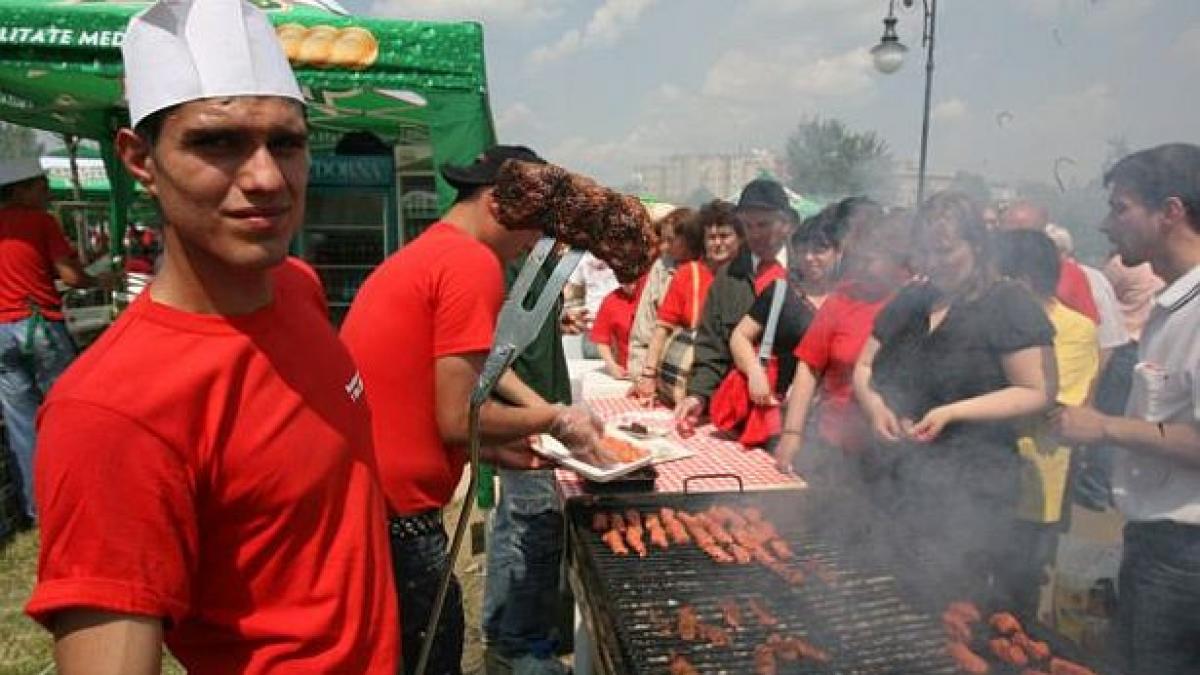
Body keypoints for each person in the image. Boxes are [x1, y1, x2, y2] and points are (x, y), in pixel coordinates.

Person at [25, 2, 400, 673]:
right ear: (140, 159)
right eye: (216, 142)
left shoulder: (298, 289)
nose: (265, 178)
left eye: (286, 142)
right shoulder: (111, 412)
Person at [341, 145, 604, 675]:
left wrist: (507, 445)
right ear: (497, 202)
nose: (534, 242)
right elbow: (457, 416)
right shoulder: (471, 263)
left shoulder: (433, 252)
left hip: (370, 504)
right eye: (536, 223)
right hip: (398, 517)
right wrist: (554, 419)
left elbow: (450, 388)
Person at [854, 190, 1056, 606]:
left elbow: (1037, 391)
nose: (933, 262)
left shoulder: (1008, 303)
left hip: (971, 482)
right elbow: (864, 368)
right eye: (925, 251)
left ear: (977, 246)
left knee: (949, 597)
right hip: (897, 476)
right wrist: (876, 407)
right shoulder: (911, 299)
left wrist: (951, 412)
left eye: (945, 250)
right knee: (886, 590)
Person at [1053, 143, 1200, 675]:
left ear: (1171, 213)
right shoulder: (1172, 305)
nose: (1106, 224)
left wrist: (1104, 427)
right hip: (1159, 548)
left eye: (1121, 208)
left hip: (1186, 559)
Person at [994, 229, 1100, 619]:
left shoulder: (1074, 329)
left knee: (1016, 593)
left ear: (1020, 281)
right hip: (981, 480)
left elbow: (1052, 405)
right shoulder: (993, 318)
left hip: (1033, 484)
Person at [483, 253, 574, 675]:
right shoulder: (508, 268)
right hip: (526, 422)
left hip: (534, 419)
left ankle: (501, 633)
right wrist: (549, 414)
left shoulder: (541, 267)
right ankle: (523, 646)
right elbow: (491, 362)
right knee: (537, 531)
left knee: (511, 527)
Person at [0, 158, 100, 524]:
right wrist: (100, 281)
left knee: (22, 422)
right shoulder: (39, 222)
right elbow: (72, 277)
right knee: (66, 411)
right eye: (41, 186)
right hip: (38, 325)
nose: (47, 192)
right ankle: (78, 492)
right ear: (21, 189)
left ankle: (39, 509)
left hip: (2, 330)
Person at [775, 211, 911, 480]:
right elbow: (809, 367)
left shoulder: (913, 299)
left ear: (894, 258)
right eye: (855, 259)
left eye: (868, 260)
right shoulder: (844, 297)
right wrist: (792, 433)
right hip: (834, 442)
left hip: (892, 445)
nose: (858, 268)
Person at [675, 178, 793, 432]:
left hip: (793, 417)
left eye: (764, 224)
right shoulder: (727, 278)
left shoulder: (804, 273)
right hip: (740, 416)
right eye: (748, 225)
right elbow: (711, 348)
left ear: (786, 225)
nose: (756, 233)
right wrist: (698, 396)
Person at [631, 200, 741, 404]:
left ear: (740, 238)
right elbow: (661, 329)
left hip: (731, 390)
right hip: (691, 385)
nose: (717, 243)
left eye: (724, 236)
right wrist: (647, 375)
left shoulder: (746, 279)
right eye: (711, 237)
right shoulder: (688, 274)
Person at [1000, 199, 1100, 323]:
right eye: (1011, 236)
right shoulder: (988, 274)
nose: (1019, 242)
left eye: (1028, 235)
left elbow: (1089, 324)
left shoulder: (1073, 275)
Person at [626, 206, 692, 378]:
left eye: (670, 240)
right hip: (656, 373)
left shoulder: (709, 268)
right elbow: (642, 330)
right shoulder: (662, 267)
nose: (663, 247)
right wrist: (643, 375)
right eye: (662, 240)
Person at [562, 252, 618, 358]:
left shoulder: (623, 252)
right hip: (592, 327)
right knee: (593, 366)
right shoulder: (583, 256)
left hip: (620, 327)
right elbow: (572, 289)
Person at [590, 277, 643, 379]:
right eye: (625, 282)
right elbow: (601, 339)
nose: (631, 287)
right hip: (627, 371)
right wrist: (612, 366)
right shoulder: (611, 300)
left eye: (635, 281)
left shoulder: (656, 296)